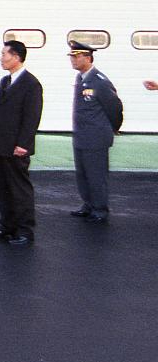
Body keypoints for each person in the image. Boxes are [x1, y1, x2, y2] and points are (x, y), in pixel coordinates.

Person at [0, 40, 43, 246]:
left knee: (19, 188)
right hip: (0, 143)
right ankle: (7, 225)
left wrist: (24, 144)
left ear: (16, 57)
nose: (1, 58)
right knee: (3, 187)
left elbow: (32, 117)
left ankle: (25, 230)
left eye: (4, 54)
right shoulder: (5, 81)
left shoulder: (31, 84)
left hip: (16, 146)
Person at [68, 40, 122, 224]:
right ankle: (89, 204)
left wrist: (112, 128)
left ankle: (100, 208)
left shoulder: (100, 81)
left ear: (87, 58)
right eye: (72, 57)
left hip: (96, 137)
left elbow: (115, 108)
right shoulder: (80, 78)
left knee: (96, 175)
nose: (73, 60)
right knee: (83, 174)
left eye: (76, 57)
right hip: (82, 136)